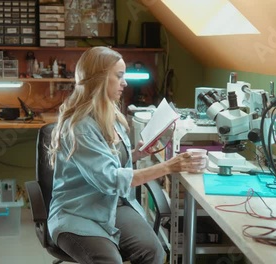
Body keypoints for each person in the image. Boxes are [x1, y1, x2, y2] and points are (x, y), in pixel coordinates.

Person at [47, 46, 198, 264]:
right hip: (77, 212)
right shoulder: (80, 127)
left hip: (112, 205)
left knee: (153, 251)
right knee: (109, 260)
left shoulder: (111, 114)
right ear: (98, 80)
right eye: (119, 76)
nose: (125, 83)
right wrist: (168, 166)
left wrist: (135, 155)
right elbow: (110, 179)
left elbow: (111, 163)